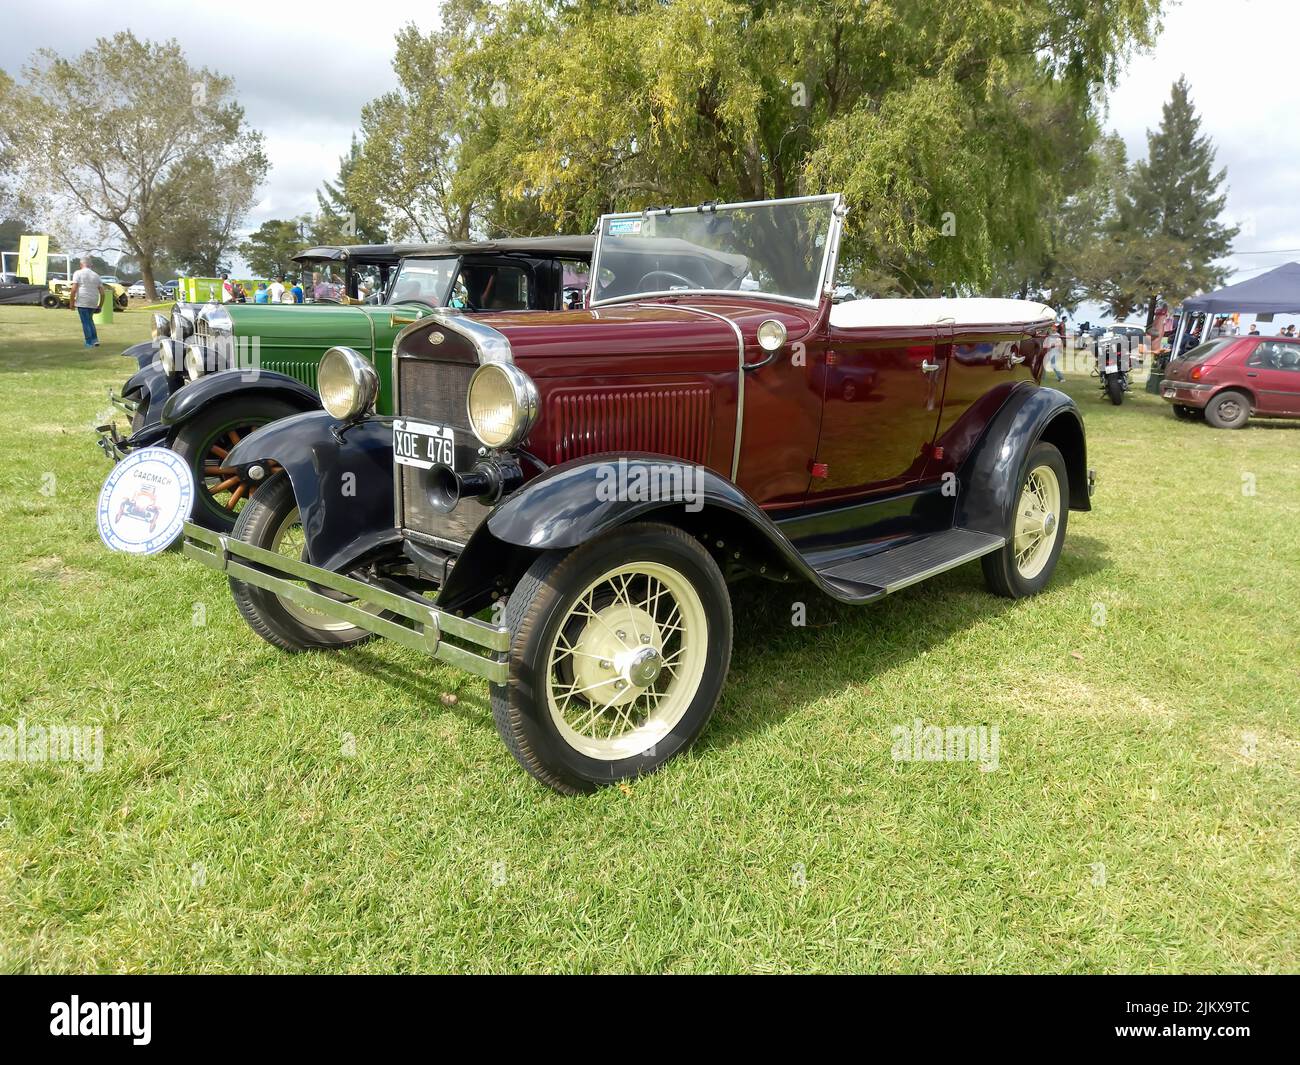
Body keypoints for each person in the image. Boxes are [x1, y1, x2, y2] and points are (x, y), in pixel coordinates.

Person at [69, 257, 103, 348]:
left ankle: (89, 342)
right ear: (90, 265)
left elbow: (74, 289)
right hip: (93, 301)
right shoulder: (96, 275)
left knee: (85, 322)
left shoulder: (78, 273)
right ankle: (95, 340)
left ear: (81, 264)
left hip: (83, 300)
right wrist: (100, 305)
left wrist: (71, 302)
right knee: (90, 320)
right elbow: (102, 293)